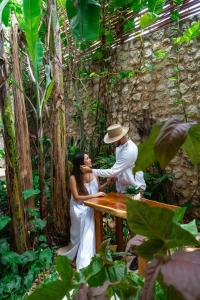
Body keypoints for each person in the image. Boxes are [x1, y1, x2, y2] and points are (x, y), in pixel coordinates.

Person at [60, 153, 107, 270]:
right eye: (87, 158)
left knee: (91, 213)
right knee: (89, 216)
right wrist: (94, 195)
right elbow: (76, 197)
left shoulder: (94, 174)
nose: (90, 159)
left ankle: (93, 251)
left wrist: (108, 183)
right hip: (78, 207)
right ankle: (85, 257)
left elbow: (98, 189)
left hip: (91, 205)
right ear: (81, 164)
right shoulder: (73, 178)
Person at [81, 124, 146, 194]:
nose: (112, 143)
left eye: (113, 140)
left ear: (120, 138)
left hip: (134, 189)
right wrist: (114, 174)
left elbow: (113, 171)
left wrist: (91, 170)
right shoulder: (119, 146)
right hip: (123, 189)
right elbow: (119, 165)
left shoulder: (129, 150)